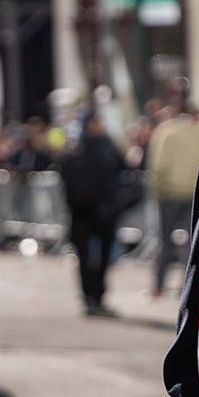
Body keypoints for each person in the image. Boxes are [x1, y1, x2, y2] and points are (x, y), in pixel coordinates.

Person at [60, 110, 127, 316]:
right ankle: (91, 297)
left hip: (99, 211)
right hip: (87, 212)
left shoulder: (101, 147)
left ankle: (95, 296)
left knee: (100, 257)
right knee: (88, 256)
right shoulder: (88, 149)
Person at [147, 102, 199, 298]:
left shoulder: (166, 131)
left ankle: (158, 285)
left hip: (171, 193)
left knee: (165, 240)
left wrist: (158, 189)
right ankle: (188, 285)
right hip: (195, 192)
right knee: (193, 241)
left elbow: (159, 164)